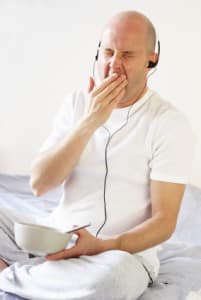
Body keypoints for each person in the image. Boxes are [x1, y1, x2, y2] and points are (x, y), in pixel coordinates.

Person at [0, 10, 195, 300]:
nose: (114, 65)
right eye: (108, 52)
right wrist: (90, 121)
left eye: (127, 55)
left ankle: (10, 276)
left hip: (118, 254)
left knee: (109, 282)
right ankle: (43, 276)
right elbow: (40, 184)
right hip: (56, 238)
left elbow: (164, 222)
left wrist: (102, 247)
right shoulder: (78, 104)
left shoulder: (169, 123)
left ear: (151, 59)